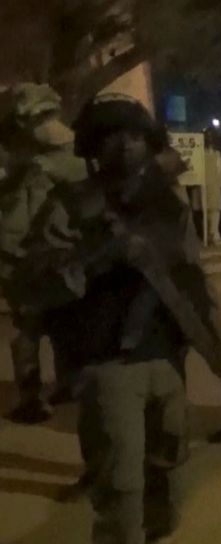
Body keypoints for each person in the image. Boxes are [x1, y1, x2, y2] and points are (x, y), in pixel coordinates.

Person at [13, 93, 221, 544]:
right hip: (106, 362)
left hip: (167, 357)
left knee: (169, 469)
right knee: (120, 484)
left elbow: (192, 282)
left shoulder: (166, 203)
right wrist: (100, 257)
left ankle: (155, 540)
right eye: (111, 137)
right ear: (93, 148)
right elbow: (33, 286)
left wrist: (220, 353)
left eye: (135, 136)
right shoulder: (71, 205)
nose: (124, 147)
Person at [0, 83, 87, 423]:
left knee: (27, 329)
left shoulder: (39, 166)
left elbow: (15, 226)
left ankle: (32, 398)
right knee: (67, 322)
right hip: (76, 257)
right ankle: (71, 382)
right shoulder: (83, 155)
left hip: (35, 261)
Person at [190, 128, 221, 246]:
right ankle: (208, 236)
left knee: (214, 211)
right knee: (204, 212)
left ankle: (213, 235)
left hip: (213, 185)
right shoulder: (198, 153)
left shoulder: (216, 154)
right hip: (201, 185)